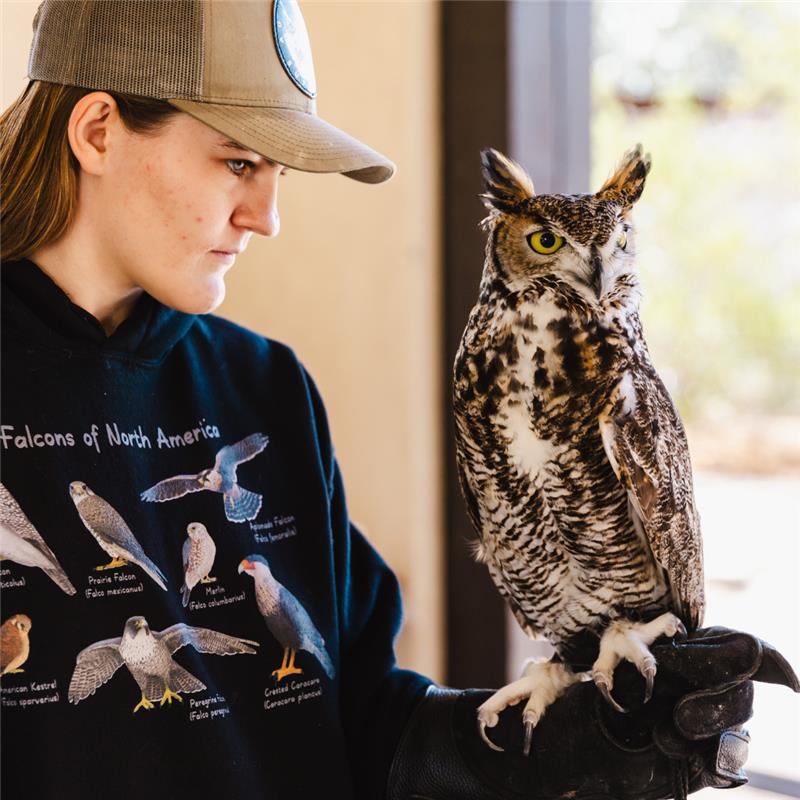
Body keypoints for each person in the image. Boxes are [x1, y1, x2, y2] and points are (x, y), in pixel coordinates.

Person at [1, 2, 796, 799]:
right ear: (98, 131)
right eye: (240, 162)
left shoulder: (262, 389)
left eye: (281, 175)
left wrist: (537, 752)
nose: (267, 218)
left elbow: (355, 718)